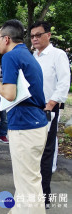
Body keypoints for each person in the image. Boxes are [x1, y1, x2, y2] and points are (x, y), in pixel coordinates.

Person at [0, 19, 48, 213]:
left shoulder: (10, 57)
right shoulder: (25, 54)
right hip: (34, 122)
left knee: (27, 182)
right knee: (29, 180)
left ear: (6, 39)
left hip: (25, 126)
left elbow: (9, 93)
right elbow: (19, 93)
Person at [30, 21, 70, 209]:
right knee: (32, 152)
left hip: (48, 109)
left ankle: (44, 196)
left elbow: (63, 83)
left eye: (39, 35)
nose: (35, 39)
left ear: (49, 35)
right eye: (32, 36)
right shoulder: (33, 56)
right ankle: (31, 192)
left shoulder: (57, 55)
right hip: (31, 108)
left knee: (46, 152)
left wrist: (51, 104)